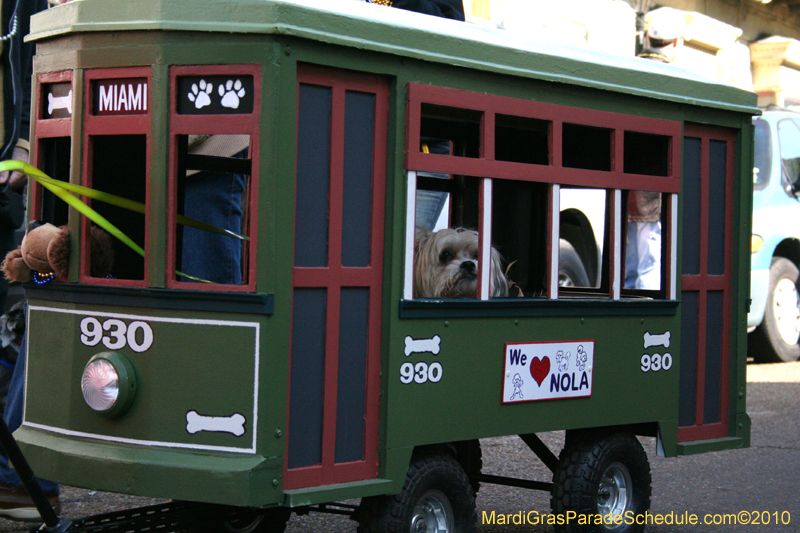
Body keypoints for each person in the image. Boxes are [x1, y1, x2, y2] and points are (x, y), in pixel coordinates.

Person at [0, 0, 59, 522]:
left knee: (42, 303)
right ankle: (21, 472)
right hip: (41, 181)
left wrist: (20, 144)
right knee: (29, 316)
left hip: (57, 185)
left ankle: (24, 474)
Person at [625, 8, 686, 290]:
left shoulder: (626, 68)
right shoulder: (677, 80)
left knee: (625, 268)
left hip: (620, 188)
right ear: (677, 43)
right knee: (649, 269)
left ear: (646, 37)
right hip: (653, 194)